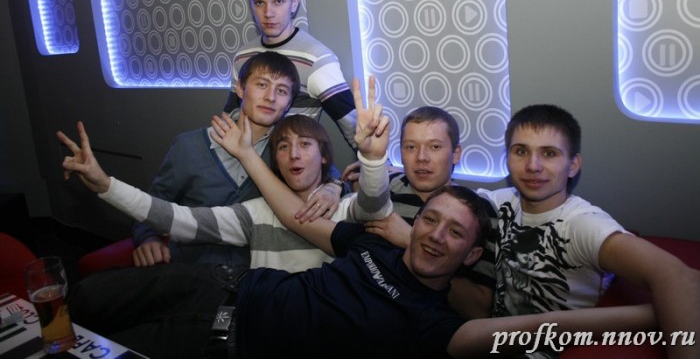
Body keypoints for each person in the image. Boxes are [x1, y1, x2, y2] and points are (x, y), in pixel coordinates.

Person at [60, 115, 655, 358]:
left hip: (230, 336)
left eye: (453, 233)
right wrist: (106, 184)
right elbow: (308, 214)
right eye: (429, 220)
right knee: (81, 301)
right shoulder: (370, 234)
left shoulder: (433, 322)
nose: (435, 235)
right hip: (223, 283)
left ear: (472, 251)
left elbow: (521, 328)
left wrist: (646, 317)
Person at [462, 104, 700, 359]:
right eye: (521, 151)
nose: (533, 165)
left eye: (549, 153)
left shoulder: (582, 224)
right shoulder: (499, 202)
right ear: (507, 159)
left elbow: (681, 278)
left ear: (573, 165)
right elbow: (446, 201)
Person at [130, 51, 343, 269]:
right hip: (191, 272)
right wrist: (148, 239)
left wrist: (333, 187)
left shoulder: (286, 152)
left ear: (288, 103)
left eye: (281, 91)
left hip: (255, 276)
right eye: (262, 85)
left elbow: (330, 175)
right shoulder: (189, 146)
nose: (270, 97)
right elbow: (152, 205)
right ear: (240, 89)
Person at [351, 106, 498, 319]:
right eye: (411, 147)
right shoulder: (383, 189)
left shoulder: (477, 211)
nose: (421, 157)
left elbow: (478, 309)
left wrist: (411, 241)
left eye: (435, 147)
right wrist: (331, 187)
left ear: (456, 154)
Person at [222, 0, 358, 151]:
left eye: (278, 2)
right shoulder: (242, 56)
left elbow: (356, 131)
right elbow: (231, 118)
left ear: (294, 3)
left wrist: (373, 161)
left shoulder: (317, 60)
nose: (268, 13)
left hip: (289, 162)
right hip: (241, 157)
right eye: (259, 3)